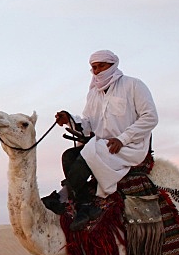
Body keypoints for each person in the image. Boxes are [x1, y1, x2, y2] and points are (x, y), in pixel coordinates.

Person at [51, 49, 158, 231]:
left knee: (91, 152)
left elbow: (150, 117)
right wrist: (69, 120)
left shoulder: (133, 85)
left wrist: (123, 139)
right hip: (101, 145)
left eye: (102, 66)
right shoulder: (93, 93)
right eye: (94, 67)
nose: (98, 71)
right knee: (69, 156)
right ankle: (84, 204)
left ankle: (65, 194)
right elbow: (88, 124)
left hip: (129, 146)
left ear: (112, 65)